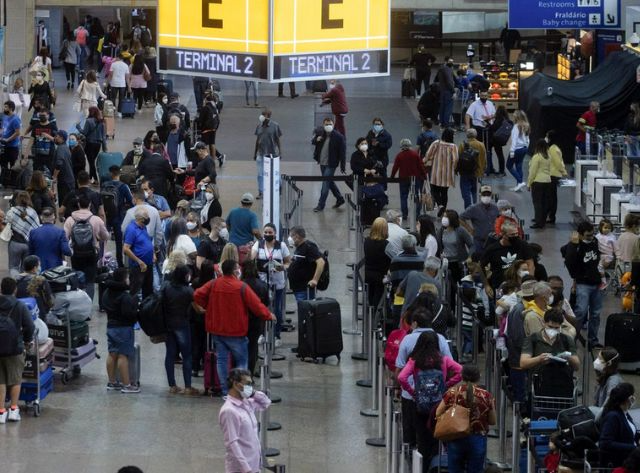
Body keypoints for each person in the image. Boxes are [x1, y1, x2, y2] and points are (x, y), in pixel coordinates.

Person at [193, 260, 275, 395]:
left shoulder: (213, 284)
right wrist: (268, 315)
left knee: (222, 360)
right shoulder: (241, 287)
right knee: (242, 362)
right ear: (234, 270)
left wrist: (207, 306)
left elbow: (197, 295)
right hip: (236, 332)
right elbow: (257, 305)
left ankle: (226, 392)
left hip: (217, 330)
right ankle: (243, 392)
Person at [398, 331, 462, 466]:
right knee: (437, 438)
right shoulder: (443, 360)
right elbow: (460, 371)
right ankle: (435, 465)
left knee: (422, 439)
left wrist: (413, 392)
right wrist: (446, 385)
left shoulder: (415, 361)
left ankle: (422, 467)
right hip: (439, 405)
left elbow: (401, 377)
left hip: (420, 405)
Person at [395, 308, 453, 451]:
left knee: (410, 432)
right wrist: (446, 385)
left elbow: (400, 369)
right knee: (432, 431)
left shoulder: (407, 340)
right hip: (435, 395)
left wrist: (405, 389)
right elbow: (451, 365)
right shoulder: (440, 338)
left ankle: (410, 460)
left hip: (411, 395)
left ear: (415, 323)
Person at [435, 365, 497, 473]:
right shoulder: (486, 395)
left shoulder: (452, 393)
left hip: (455, 436)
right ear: (479, 377)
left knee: (455, 469)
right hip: (477, 438)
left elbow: (438, 412)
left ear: (461, 376)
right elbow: (492, 421)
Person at [218, 368, 272, 473]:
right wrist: (247, 469)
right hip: (242, 469)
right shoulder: (229, 411)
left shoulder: (247, 403)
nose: (250, 387)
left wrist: (253, 393)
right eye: (247, 384)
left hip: (254, 465)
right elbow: (232, 443)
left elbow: (266, 402)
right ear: (236, 384)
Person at [0, 277, 35, 424]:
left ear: (1, 289)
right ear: (15, 290)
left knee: (0, 380)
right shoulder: (20, 305)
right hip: (15, 348)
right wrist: (27, 341)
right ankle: (14, 410)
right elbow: (30, 326)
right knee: (15, 379)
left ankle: (1, 412)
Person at [63, 193, 110, 301]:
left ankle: (78, 303)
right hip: (91, 253)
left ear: (78, 204)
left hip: (76, 254)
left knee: (76, 277)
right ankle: (88, 306)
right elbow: (105, 236)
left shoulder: (70, 219)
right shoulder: (96, 219)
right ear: (90, 205)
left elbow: (64, 237)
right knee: (90, 281)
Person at [564, 221, 603, 347]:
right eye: (588, 236)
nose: (591, 238)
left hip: (596, 282)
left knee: (596, 313)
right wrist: (573, 244)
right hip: (583, 283)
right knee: (580, 311)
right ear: (580, 235)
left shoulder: (595, 242)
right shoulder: (575, 246)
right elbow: (569, 261)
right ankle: (573, 338)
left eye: (592, 235)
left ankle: (593, 340)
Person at [251, 223, 291, 345]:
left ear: (274, 233)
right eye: (266, 232)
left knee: (277, 308)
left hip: (277, 281)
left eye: (270, 232)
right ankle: (262, 333)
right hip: (263, 282)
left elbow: (288, 262)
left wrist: (282, 267)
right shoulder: (259, 244)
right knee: (262, 307)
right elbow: (252, 257)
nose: (268, 234)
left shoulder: (281, 246)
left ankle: (277, 335)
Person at [102, 268, 140, 393]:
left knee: (112, 353)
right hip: (123, 328)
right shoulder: (125, 296)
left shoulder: (107, 292)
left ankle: (112, 382)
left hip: (111, 326)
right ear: (123, 279)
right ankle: (127, 385)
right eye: (127, 277)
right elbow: (129, 314)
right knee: (123, 356)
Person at [163, 264, 199, 395]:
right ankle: (188, 386)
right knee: (187, 356)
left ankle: (172, 385)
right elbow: (198, 308)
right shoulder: (188, 291)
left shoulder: (166, 287)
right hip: (183, 324)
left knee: (170, 355)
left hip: (168, 325)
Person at [520, 307, 581, 373]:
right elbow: (523, 363)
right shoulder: (532, 339)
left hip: (562, 379)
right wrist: (539, 359)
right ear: (544, 323)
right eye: (550, 327)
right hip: (540, 379)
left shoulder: (567, 339)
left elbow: (577, 366)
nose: (553, 330)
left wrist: (568, 357)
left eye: (556, 328)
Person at [481, 221, 534, 294]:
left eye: (516, 234)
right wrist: (486, 285)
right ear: (503, 234)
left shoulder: (522, 245)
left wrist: (529, 281)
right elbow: (480, 266)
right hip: (499, 286)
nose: (515, 237)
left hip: (519, 286)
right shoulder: (492, 249)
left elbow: (530, 264)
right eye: (512, 235)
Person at [438, 210, 473, 306]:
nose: (443, 219)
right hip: (446, 264)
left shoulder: (460, 231)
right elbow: (440, 245)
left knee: (460, 289)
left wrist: (469, 257)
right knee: (449, 291)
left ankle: (464, 308)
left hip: (458, 264)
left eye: (446, 217)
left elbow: (472, 245)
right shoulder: (441, 231)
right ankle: (451, 310)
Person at [599, 383, 639, 467]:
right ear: (629, 398)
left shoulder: (624, 413)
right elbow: (605, 443)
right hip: (619, 462)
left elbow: (629, 432)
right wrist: (633, 448)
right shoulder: (613, 416)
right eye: (633, 395)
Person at [312, 117, 346, 212]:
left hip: (331, 164)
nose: (328, 126)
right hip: (322, 162)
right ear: (323, 125)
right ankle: (339, 198)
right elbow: (313, 141)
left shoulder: (339, 137)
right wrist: (316, 140)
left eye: (330, 124)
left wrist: (343, 166)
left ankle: (320, 205)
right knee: (329, 181)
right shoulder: (320, 133)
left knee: (325, 183)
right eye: (326, 124)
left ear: (333, 124)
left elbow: (342, 153)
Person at [102, 165, 134, 267]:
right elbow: (131, 201)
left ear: (111, 173)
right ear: (119, 173)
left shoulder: (104, 185)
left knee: (103, 239)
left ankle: (101, 261)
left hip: (107, 216)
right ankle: (120, 263)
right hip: (119, 216)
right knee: (119, 241)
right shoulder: (123, 186)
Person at [241, 259, 269, 375]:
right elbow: (266, 303)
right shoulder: (262, 285)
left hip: (242, 319)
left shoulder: (240, 285)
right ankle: (250, 373)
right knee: (253, 347)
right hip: (256, 321)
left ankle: (240, 372)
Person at [5, 191, 40, 277]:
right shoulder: (33, 212)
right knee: (26, 268)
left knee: (13, 267)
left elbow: (6, 223)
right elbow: (37, 228)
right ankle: (24, 286)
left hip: (15, 243)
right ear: (29, 199)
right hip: (28, 244)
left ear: (17, 199)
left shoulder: (12, 211)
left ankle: (15, 285)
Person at [123, 206, 155, 299]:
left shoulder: (143, 227)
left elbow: (147, 241)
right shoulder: (131, 229)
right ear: (141, 219)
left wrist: (153, 254)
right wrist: (139, 261)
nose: (148, 218)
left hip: (148, 264)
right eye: (146, 216)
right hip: (138, 266)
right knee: (135, 290)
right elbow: (126, 249)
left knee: (148, 290)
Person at [287, 226, 325, 303]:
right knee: (302, 312)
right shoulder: (299, 248)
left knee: (306, 312)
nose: (290, 238)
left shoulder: (309, 247)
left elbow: (321, 262)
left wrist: (315, 280)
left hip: (305, 289)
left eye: (291, 236)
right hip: (298, 288)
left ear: (297, 236)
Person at [391, 138, 427, 220]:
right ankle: (417, 214)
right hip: (415, 178)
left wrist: (392, 177)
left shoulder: (399, 155)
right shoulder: (415, 154)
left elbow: (395, 167)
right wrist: (424, 176)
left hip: (403, 179)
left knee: (403, 196)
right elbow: (421, 166)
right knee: (416, 196)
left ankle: (404, 214)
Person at [424, 127, 458, 209]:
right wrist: (454, 168)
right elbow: (456, 159)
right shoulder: (453, 146)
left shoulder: (436, 143)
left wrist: (424, 161)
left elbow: (428, 154)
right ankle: (443, 211)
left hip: (436, 172)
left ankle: (440, 205)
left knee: (434, 190)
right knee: (444, 192)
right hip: (447, 173)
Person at [28, 207, 71, 271]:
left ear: (41, 218)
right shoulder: (60, 232)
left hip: (38, 268)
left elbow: (30, 253)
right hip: (56, 268)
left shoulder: (33, 232)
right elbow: (66, 251)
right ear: (53, 217)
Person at [460, 185, 499, 255]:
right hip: (479, 242)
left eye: (488, 194)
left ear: (491, 195)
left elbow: (499, 219)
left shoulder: (495, 208)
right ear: (480, 195)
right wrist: (469, 229)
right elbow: (460, 218)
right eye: (484, 194)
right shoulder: (474, 208)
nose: (486, 196)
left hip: (493, 241)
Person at [254, 109, 282, 200]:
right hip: (261, 154)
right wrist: (255, 153)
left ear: (268, 116)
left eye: (264, 114)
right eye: (261, 114)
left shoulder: (275, 126)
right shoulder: (259, 126)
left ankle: (279, 186)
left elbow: (278, 140)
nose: (261, 116)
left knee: (275, 173)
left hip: (272, 154)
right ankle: (261, 191)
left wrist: (280, 152)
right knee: (260, 174)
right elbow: (257, 140)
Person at [364, 217, 392, 310]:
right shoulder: (386, 244)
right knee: (378, 298)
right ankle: (376, 317)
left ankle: (370, 314)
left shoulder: (366, 241)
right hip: (381, 275)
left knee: (370, 296)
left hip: (367, 274)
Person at [15, 255, 54, 321]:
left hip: (20, 314)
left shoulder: (16, 279)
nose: (40, 267)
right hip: (38, 314)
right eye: (39, 265)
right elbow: (49, 300)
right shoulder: (40, 280)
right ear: (34, 268)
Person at [226, 193, 261, 262]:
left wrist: (231, 232)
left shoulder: (233, 212)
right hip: (245, 247)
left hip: (232, 245)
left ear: (241, 202)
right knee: (245, 266)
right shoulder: (252, 215)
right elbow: (255, 231)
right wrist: (261, 239)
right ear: (251, 203)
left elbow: (227, 224)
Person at [75, 106, 106, 183]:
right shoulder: (101, 122)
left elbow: (84, 133)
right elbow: (104, 136)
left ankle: (95, 179)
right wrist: (105, 147)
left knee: (91, 162)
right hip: (98, 145)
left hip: (89, 144)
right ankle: (90, 177)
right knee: (92, 161)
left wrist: (78, 127)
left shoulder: (88, 121)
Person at [457, 128, 487, 208]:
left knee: (465, 191)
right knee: (474, 189)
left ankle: (468, 208)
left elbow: (458, 158)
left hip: (465, 172)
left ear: (467, 135)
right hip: (476, 171)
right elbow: (484, 159)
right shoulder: (481, 145)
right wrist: (483, 169)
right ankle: (474, 205)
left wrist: (456, 170)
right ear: (476, 135)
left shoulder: (462, 145)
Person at [527, 138, 552, 229]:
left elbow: (532, 172)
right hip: (547, 181)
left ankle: (538, 222)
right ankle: (543, 220)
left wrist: (529, 184)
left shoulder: (536, 157)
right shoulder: (548, 156)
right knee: (544, 202)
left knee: (537, 203)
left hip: (538, 182)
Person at [464, 90, 495, 161]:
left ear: (487, 96)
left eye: (485, 96)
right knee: (477, 147)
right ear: (479, 96)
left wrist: (488, 117)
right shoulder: (474, 104)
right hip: (478, 129)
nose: (484, 97)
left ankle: (490, 167)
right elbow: (468, 115)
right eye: (482, 96)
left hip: (489, 128)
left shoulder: (490, 104)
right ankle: (478, 164)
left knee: (489, 148)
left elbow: (494, 114)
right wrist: (468, 126)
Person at [545, 130, 568, 224]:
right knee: (551, 197)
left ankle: (551, 217)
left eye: (547, 136)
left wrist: (563, 172)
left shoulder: (553, 149)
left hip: (553, 175)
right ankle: (548, 215)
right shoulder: (554, 148)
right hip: (553, 174)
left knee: (551, 198)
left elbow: (558, 162)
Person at [506, 110, 531, 192]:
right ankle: (518, 186)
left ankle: (520, 181)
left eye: (514, 116)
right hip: (524, 148)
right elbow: (528, 138)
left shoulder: (516, 126)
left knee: (509, 166)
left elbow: (514, 140)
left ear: (517, 117)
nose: (513, 117)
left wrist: (512, 151)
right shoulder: (526, 125)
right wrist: (526, 146)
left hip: (517, 149)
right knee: (518, 166)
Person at [51, 130, 76, 205]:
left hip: (65, 182)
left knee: (65, 204)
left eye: (57, 136)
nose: (55, 138)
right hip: (69, 181)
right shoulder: (65, 147)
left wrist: (54, 177)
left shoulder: (61, 148)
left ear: (61, 138)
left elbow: (59, 163)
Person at [0, 100, 21, 176]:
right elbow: (3, 128)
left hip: (12, 147)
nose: (4, 108)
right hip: (4, 146)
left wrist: (7, 140)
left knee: (13, 166)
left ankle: (13, 182)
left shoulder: (15, 119)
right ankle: (3, 181)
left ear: (11, 108)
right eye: (4, 106)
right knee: (3, 164)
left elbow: (17, 132)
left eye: (6, 107)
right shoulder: (5, 117)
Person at [198, 94, 221, 161]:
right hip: (213, 128)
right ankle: (213, 160)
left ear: (206, 100)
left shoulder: (205, 107)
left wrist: (200, 125)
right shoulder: (214, 107)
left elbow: (200, 119)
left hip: (206, 129)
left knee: (205, 144)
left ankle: (206, 159)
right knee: (212, 143)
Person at [488, 106, 510, 176]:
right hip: (500, 139)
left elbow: (493, 127)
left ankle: (497, 170)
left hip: (495, 140)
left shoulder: (499, 119)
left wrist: (488, 123)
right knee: (500, 155)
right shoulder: (506, 119)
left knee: (492, 153)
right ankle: (502, 171)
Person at [436, 56, 456, 127]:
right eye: (450, 62)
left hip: (442, 91)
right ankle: (446, 124)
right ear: (446, 61)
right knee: (448, 108)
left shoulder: (441, 69)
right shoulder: (448, 69)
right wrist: (453, 91)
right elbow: (449, 81)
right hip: (448, 91)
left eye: (452, 62)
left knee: (442, 108)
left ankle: (442, 123)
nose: (452, 63)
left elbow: (436, 79)